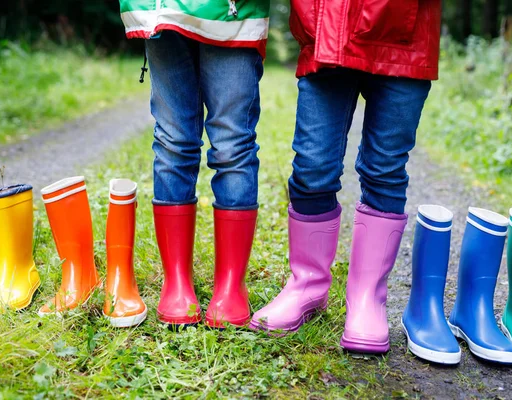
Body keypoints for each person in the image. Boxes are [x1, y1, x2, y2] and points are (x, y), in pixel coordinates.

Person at [250, 0, 442, 354]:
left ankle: (367, 299)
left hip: (404, 32)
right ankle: (307, 285)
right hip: (325, 31)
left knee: (384, 170)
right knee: (312, 168)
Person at [118, 1, 269, 328]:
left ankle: (230, 286)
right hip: (161, 9)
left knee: (233, 142)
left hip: (233, 12)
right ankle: (176, 281)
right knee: (173, 140)